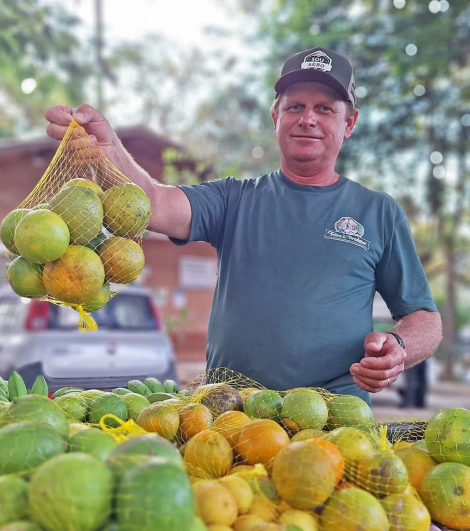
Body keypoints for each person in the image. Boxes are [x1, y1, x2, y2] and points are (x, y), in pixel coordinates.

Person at [45, 46, 443, 404]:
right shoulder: (234, 199)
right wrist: (107, 147)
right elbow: (152, 203)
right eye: (294, 107)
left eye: (325, 109)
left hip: (333, 420)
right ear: (275, 117)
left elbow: (425, 318)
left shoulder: (378, 211)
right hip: (228, 413)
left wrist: (399, 347)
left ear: (349, 123)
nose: (308, 119)